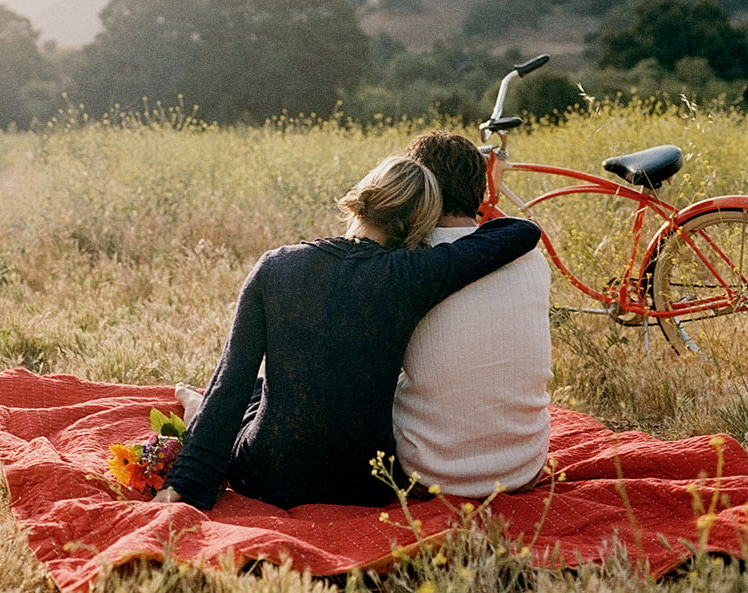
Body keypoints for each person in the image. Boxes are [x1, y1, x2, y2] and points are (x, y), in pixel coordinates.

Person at [154, 155, 543, 510]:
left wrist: (184, 484)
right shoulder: (414, 275)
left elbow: (229, 385)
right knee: (265, 391)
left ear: (360, 198)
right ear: (416, 224)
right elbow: (522, 231)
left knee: (251, 389)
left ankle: (194, 407)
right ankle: (196, 404)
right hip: (367, 485)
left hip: (269, 477)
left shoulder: (275, 266)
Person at [394, 131, 553, 499]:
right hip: (524, 467)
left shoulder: (408, 268)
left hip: (428, 473)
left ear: (416, 189)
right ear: (480, 190)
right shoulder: (532, 259)